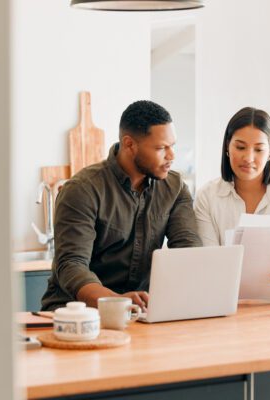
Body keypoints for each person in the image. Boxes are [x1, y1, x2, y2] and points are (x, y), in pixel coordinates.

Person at [41, 100, 202, 311]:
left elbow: (188, 251)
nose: (171, 156)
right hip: (78, 314)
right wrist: (118, 304)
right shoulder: (82, 190)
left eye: (172, 146)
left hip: (140, 313)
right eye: (161, 148)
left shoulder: (175, 187)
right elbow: (72, 266)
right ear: (129, 144)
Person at [194, 107, 270, 296]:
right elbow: (209, 264)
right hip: (224, 305)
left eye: (258, 149)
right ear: (227, 146)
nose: (248, 158)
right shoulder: (207, 197)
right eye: (240, 147)